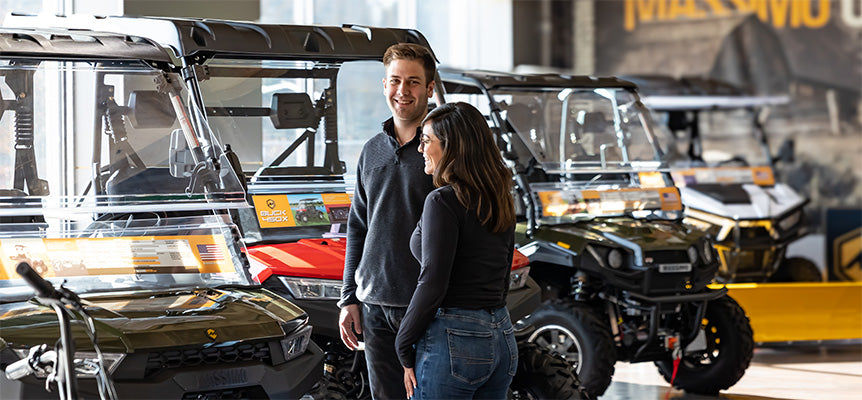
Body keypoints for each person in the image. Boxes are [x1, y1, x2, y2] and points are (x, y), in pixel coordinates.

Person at [396, 102, 517, 399]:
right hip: (502, 333)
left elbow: (433, 281)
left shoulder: (443, 201)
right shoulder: (499, 197)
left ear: (452, 147)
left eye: (426, 140)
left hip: (455, 339)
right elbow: (502, 274)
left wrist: (403, 343)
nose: (421, 149)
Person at [337, 43, 437, 400]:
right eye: (395, 81)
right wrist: (349, 297)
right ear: (384, 85)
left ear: (430, 87)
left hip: (428, 306)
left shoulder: (444, 150)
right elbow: (358, 227)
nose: (403, 91)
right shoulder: (371, 150)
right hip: (374, 304)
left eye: (413, 82)